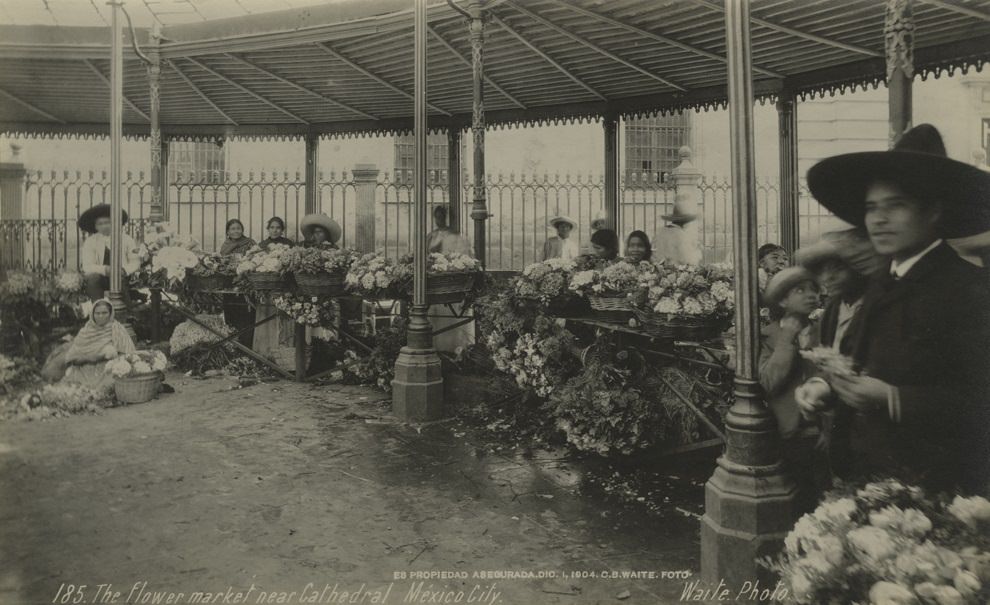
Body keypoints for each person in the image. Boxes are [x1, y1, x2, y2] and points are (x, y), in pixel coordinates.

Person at [798, 123, 990, 494]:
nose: (878, 220)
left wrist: (893, 399)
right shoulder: (883, 282)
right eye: (871, 208)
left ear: (933, 211)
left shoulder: (971, 289)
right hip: (869, 483)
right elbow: (858, 361)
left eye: (895, 206)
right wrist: (826, 387)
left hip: (940, 493)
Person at [759, 267, 829, 514]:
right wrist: (786, 338)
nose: (811, 296)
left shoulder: (824, 331)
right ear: (782, 300)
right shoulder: (768, 336)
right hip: (787, 434)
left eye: (814, 290)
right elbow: (769, 382)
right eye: (800, 290)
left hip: (823, 433)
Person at [42, 299, 137, 392]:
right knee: (77, 389)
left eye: (104, 313)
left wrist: (110, 357)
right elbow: (73, 357)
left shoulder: (117, 329)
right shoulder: (86, 331)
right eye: (97, 313)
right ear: (92, 314)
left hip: (108, 369)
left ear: (110, 313)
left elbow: (127, 354)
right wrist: (93, 357)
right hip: (85, 370)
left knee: (110, 386)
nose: (101, 316)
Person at [79, 204, 140, 302]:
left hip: (122, 277)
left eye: (107, 222)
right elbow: (87, 266)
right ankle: (98, 308)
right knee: (93, 279)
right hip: (100, 277)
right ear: (95, 226)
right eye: (100, 223)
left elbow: (135, 262)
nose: (104, 226)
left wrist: (124, 270)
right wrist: (106, 269)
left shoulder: (127, 239)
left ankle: (127, 311)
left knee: (119, 280)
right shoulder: (91, 241)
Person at [219, 219, 257, 348]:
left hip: (245, 284)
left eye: (238, 228)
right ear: (228, 232)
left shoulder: (250, 243)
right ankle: (233, 346)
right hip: (228, 284)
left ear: (242, 230)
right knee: (230, 316)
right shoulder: (225, 245)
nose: (236, 231)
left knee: (246, 317)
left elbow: (256, 259)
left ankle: (247, 346)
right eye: (233, 229)